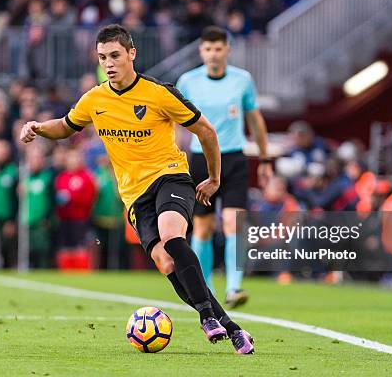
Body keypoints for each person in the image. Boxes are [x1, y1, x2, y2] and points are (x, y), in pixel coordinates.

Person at [20, 24, 254, 354]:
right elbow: (65, 127)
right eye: (102, 58)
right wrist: (38, 128)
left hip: (171, 176)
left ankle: (206, 317)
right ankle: (230, 326)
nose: (109, 63)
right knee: (164, 262)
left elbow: (207, 132)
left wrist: (214, 178)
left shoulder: (159, 93)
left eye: (115, 55)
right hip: (134, 194)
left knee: (172, 235)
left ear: (131, 54)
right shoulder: (95, 99)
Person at [176, 26, 272, 309]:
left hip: (233, 159)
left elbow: (255, 120)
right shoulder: (188, 81)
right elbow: (172, 120)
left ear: (227, 50)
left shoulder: (242, 80)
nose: (213, 54)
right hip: (200, 160)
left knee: (233, 224)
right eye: (208, 49)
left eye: (218, 49)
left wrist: (265, 159)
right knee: (203, 229)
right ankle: (203, 292)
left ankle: (234, 288)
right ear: (201, 51)